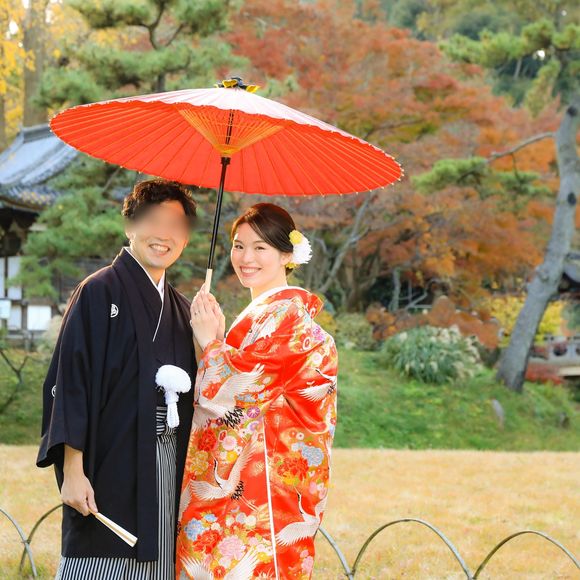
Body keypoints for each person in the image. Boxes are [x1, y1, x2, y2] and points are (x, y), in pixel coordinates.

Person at [37, 179, 198, 579]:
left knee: (159, 556)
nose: (164, 234)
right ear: (129, 225)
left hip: (166, 460)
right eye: (153, 221)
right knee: (100, 557)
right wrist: (73, 471)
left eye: (175, 226)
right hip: (109, 458)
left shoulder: (184, 309)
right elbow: (71, 382)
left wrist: (207, 339)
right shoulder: (98, 291)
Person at [176, 203, 338, 579]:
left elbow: (239, 393)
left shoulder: (288, 319)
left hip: (266, 488)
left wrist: (211, 344)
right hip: (257, 482)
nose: (246, 258)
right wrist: (215, 342)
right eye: (238, 245)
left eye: (260, 247)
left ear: (287, 255)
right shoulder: (265, 318)